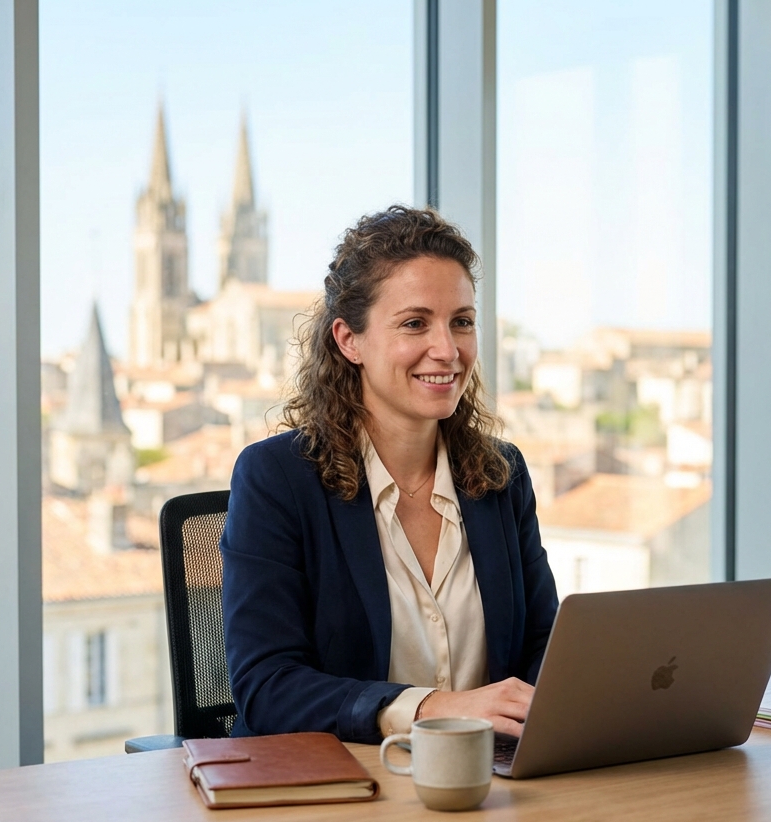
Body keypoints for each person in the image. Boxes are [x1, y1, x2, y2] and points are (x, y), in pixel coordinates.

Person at [221, 205, 559, 744]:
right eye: (414, 323)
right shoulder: (275, 479)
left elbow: (544, 644)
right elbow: (268, 687)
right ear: (348, 340)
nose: (447, 350)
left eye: (462, 322)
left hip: (485, 788)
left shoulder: (502, 475)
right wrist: (435, 708)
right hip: (337, 795)